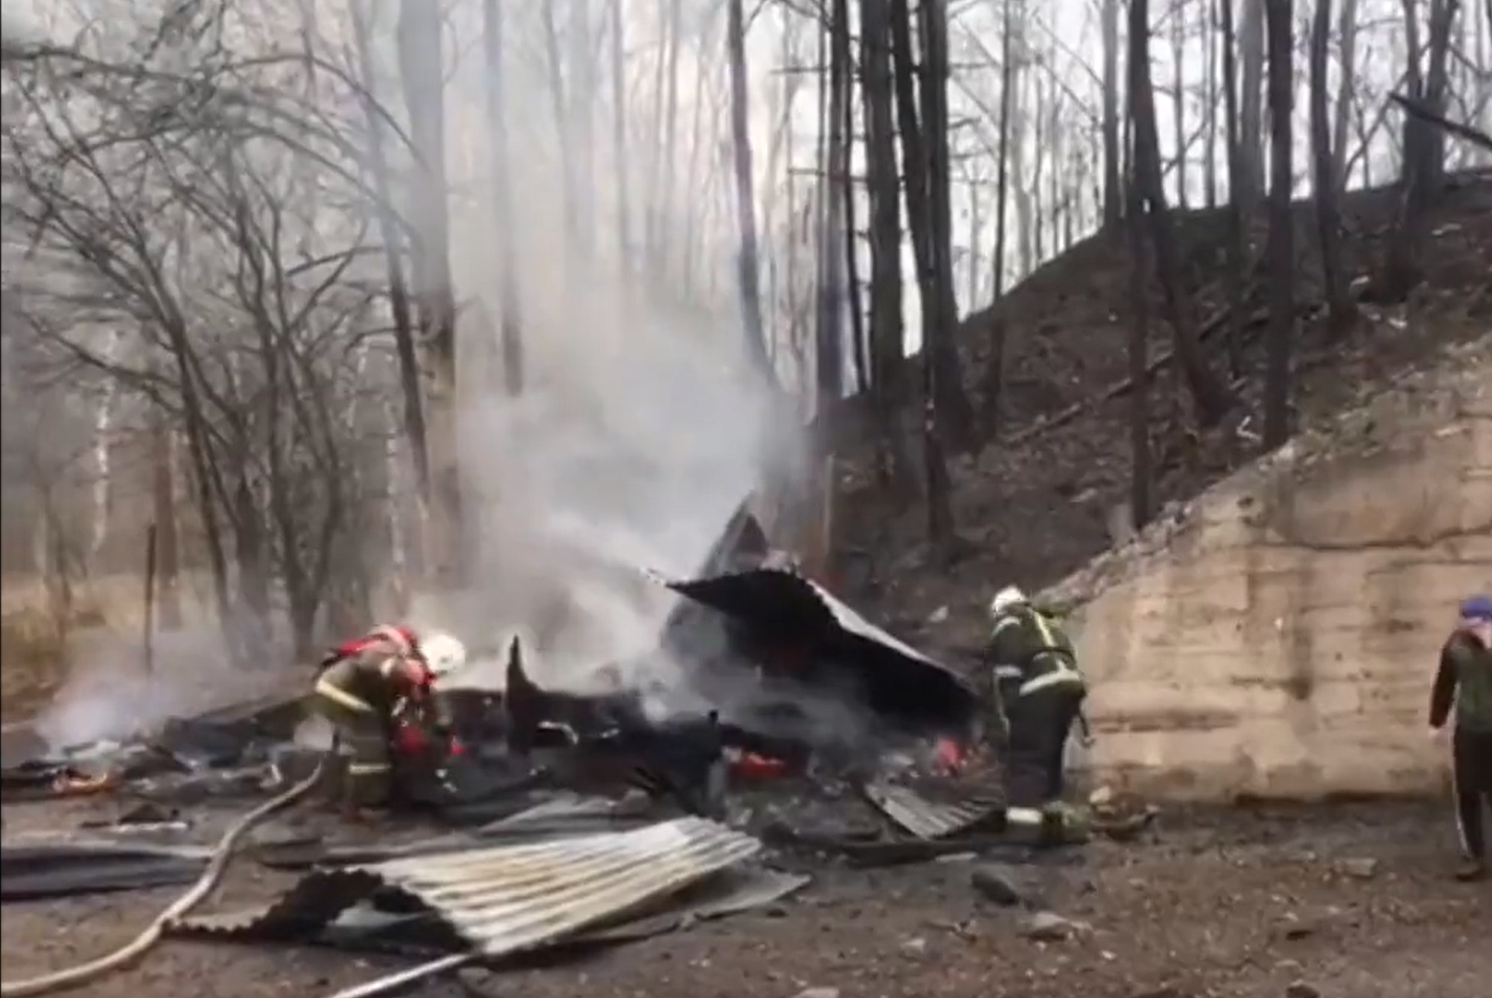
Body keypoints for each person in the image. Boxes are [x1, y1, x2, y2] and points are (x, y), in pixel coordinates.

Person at [310, 623, 434, 819]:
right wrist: (398, 672)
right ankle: (363, 806)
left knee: (370, 733)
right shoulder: (382, 654)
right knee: (371, 744)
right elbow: (375, 677)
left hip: (342, 691)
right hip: (333, 691)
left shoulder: (394, 658)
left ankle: (342, 796)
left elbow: (390, 698)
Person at [985, 585, 1087, 809]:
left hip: (1040, 689)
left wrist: (1013, 715)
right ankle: (1053, 819)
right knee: (1050, 757)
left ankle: (1024, 831)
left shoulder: (1009, 624)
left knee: (1027, 761)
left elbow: (1007, 670)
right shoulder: (1046, 624)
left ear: (1001, 610)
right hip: (1070, 687)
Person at [1429, 594, 1492, 882]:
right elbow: (1445, 682)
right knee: (1467, 791)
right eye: (1466, 623)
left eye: (1476, 623)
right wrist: (1436, 721)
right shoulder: (1456, 647)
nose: (1470, 629)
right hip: (1469, 727)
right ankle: (1474, 855)